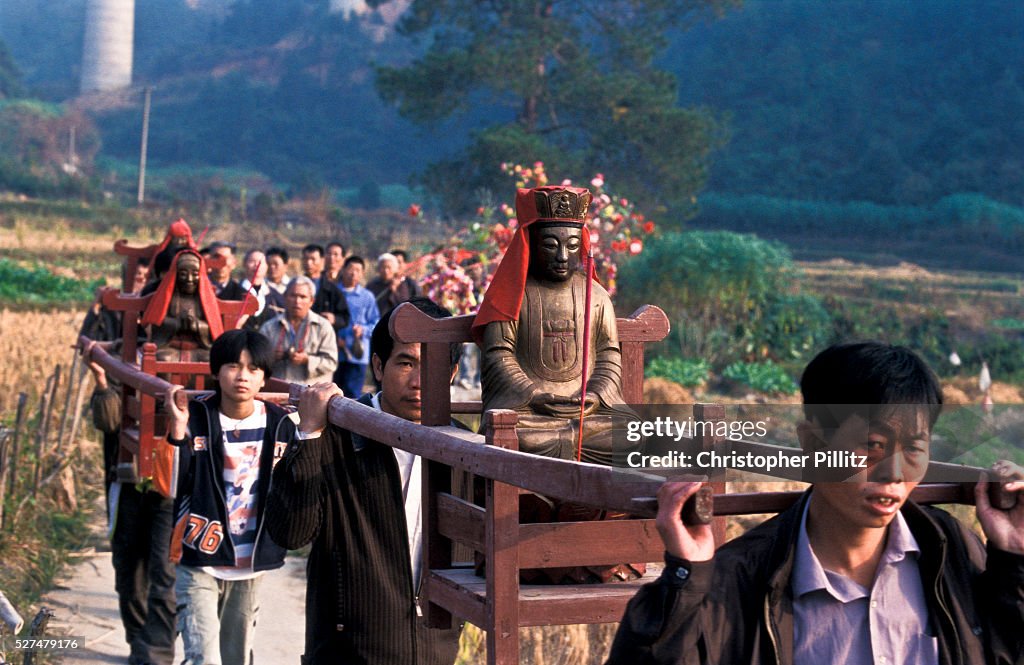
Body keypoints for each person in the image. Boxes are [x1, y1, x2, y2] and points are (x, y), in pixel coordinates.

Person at [607, 341, 1024, 665]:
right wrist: (685, 577)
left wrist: (1015, 559)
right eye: (873, 446)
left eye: (914, 449)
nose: (894, 473)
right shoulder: (739, 581)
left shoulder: (950, 551)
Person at [264, 296, 464, 665]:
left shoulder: (464, 452)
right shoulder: (335, 435)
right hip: (346, 654)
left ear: (452, 374)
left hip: (437, 651)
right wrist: (308, 437)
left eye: (434, 366)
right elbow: (290, 533)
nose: (419, 382)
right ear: (377, 365)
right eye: (406, 363)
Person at [165, 329, 298, 665]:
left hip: (251, 561)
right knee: (204, 658)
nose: (243, 376)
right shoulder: (195, 417)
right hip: (200, 554)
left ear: (264, 377)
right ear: (216, 370)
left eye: (254, 369)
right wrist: (178, 434)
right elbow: (169, 487)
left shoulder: (280, 424)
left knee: (237, 657)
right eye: (233, 366)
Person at [472, 185, 631, 465]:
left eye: (571, 246)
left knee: (632, 437)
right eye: (550, 245)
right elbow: (498, 353)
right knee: (521, 439)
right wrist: (534, 394)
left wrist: (595, 393)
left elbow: (608, 354)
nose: (562, 256)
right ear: (531, 244)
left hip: (589, 412)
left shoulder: (597, 296)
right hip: (530, 414)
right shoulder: (513, 294)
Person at [88, 361, 177, 665]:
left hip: (171, 489)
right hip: (127, 480)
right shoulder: (123, 354)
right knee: (129, 570)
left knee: (165, 572)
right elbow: (109, 421)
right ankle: (139, 643)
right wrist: (103, 384)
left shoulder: (209, 354)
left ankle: (160, 652)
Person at [141, 249, 223, 363]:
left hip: (198, 348)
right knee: (163, 359)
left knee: (210, 360)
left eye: (195, 274)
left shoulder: (205, 300)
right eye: (183, 274)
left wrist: (197, 325)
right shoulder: (167, 298)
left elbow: (214, 329)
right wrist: (177, 323)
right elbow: (156, 325)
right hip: (171, 347)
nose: (189, 279)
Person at [258, 276, 338, 384]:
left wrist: (307, 360)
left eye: (303, 297)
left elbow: (331, 363)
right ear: (285, 297)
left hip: (311, 392)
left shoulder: (323, 327)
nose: (297, 301)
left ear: (311, 301)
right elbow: (257, 361)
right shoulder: (269, 327)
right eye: (293, 295)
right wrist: (271, 357)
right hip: (277, 391)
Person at [334, 255, 379, 398]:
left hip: (357, 355)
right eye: (351, 269)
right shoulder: (333, 293)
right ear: (343, 270)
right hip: (335, 353)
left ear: (362, 274)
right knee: (332, 394)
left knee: (353, 396)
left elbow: (375, 323)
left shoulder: (367, 297)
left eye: (358, 270)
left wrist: (363, 330)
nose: (354, 273)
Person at [300, 243, 351, 333]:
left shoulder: (332, 290)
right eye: (305, 259)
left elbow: (345, 318)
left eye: (313, 259)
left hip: (324, 336)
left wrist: (334, 319)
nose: (308, 263)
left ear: (322, 260)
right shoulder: (296, 286)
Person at [367, 252, 420, 318]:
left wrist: (394, 290)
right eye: (383, 267)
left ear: (395, 269)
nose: (386, 271)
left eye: (389, 267)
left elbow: (405, 306)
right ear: (378, 269)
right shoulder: (372, 285)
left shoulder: (402, 285)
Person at [264, 246, 291, 311]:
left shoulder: (292, 287)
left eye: (275, 264)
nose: (271, 267)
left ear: (286, 266)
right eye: (268, 264)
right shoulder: (261, 287)